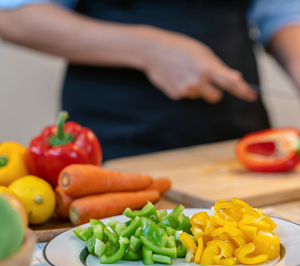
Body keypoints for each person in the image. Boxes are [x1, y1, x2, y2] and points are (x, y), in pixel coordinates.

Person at [0, 0, 299, 161]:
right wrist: (147, 49)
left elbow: (283, 11)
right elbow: (11, 13)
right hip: (116, 141)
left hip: (238, 139)